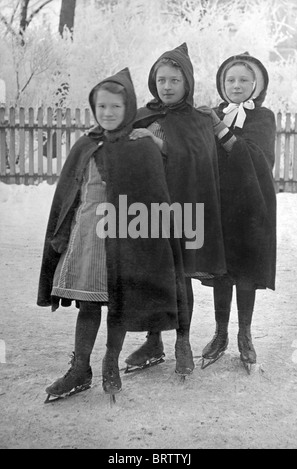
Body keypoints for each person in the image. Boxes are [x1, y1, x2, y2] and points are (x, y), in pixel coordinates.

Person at [37, 67, 191, 402]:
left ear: (129, 109)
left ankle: (110, 360)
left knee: (119, 302)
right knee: (87, 303)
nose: (108, 113)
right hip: (88, 239)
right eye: (101, 106)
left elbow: (153, 198)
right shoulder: (86, 144)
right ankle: (80, 367)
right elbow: (69, 196)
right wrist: (63, 236)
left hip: (125, 238)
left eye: (116, 107)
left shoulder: (139, 145)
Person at [125, 43, 227, 372]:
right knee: (151, 276)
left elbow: (199, 160)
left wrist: (157, 143)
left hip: (183, 211)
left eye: (173, 80)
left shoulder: (197, 119)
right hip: (147, 210)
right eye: (160, 80)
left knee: (179, 277)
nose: (166, 87)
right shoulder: (143, 114)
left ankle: (182, 341)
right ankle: (153, 342)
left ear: (188, 83)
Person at [199, 52, 277, 373]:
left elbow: (254, 157)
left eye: (244, 79)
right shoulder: (214, 113)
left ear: (256, 85)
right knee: (222, 270)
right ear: (222, 83)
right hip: (220, 204)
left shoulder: (263, 117)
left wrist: (218, 128)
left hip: (252, 204)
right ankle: (220, 333)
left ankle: (245, 334)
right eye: (230, 79)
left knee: (245, 270)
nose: (236, 85)